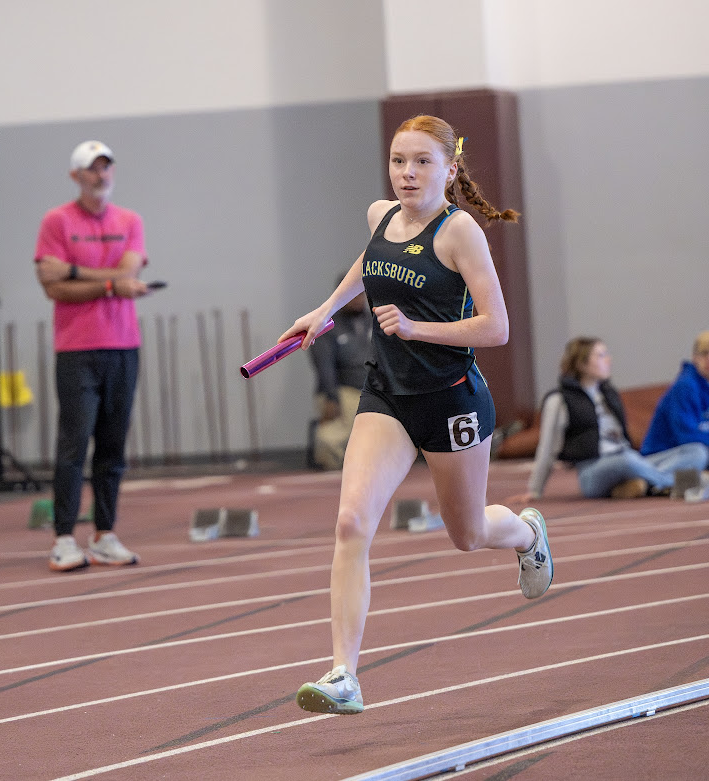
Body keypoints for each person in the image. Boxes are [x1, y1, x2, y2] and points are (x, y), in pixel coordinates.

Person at [279, 115, 553, 716]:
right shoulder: (380, 215)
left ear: (449, 170)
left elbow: (497, 327)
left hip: (451, 398)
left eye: (422, 162)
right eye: (399, 160)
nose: (407, 173)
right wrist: (323, 311)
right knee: (352, 521)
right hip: (389, 396)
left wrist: (414, 327)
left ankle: (527, 532)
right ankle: (343, 675)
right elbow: (370, 263)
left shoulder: (460, 235)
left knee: (468, 534)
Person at [35, 140, 152, 572]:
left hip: (124, 347)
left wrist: (73, 271)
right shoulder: (57, 221)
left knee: (113, 445)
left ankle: (104, 534)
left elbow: (129, 272)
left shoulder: (130, 220)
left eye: (106, 168)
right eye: (91, 169)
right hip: (76, 349)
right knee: (73, 444)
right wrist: (108, 285)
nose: (100, 176)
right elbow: (53, 287)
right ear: (76, 176)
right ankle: (64, 537)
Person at [516, 337, 709, 503]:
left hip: (629, 459)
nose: (608, 360)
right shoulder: (559, 400)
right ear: (581, 363)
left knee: (697, 452)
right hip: (593, 471)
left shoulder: (608, 394)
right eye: (600, 355)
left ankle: (644, 485)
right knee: (627, 460)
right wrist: (535, 489)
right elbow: (548, 446)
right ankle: (687, 483)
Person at [308, 276, 371, 470]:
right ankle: (328, 455)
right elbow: (324, 366)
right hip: (343, 390)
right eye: (353, 295)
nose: (358, 299)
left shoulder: (374, 320)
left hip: (373, 388)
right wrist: (331, 397)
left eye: (361, 294)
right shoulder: (327, 324)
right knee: (358, 419)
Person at [641, 332, 709, 457]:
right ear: (694, 358)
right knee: (699, 454)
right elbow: (686, 437)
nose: (708, 360)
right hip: (663, 455)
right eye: (704, 354)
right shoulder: (686, 386)